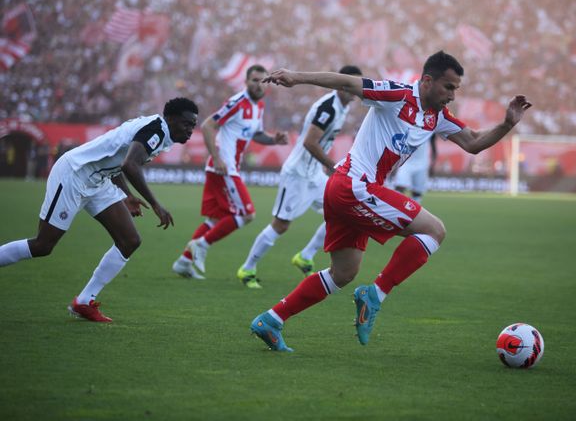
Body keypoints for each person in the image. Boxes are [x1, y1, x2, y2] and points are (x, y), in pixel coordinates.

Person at [249, 51, 532, 351]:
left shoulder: (436, 117)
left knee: (343, 273)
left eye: (456, 89)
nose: (451, 95)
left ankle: (272, 320)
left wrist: (506, 125)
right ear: (426, 81)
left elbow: (473, 142)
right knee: (434, 230)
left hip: (345, 189)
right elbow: (347, 82)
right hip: (354, 186)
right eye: (448, 87)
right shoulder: (397, 94)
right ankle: (376, 294)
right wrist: (296, 76)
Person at [0, 97, 199, 322]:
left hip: (97, 180)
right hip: (74, 174)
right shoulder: (156, 130)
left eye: (193, 125)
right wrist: (156, 204)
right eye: (186, 124)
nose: (190, 130)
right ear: (170, 119)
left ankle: (84, 302)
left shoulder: (159, 131)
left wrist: (128, 196)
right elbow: (129, 165)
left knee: (129, 240)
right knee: (43, 245)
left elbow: (117, 162)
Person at [237, 65, 362, 288]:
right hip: (297, 174)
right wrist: (332, 166)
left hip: (314, 174)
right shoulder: (329, 108)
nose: (353, 89)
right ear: (340, 83)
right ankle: (247, 268)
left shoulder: (342, 107)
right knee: (281, 225)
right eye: (349, 84)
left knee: (342, 212)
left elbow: (322, 142)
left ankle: (305, 256)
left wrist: (323, 167)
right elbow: (309, 142)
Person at [172, 65, 288, 284]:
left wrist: (274, 140)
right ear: (246, 81)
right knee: (247, 214)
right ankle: (201, 245)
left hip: (225, 168)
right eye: (254, 80)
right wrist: (217, 158)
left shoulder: (259, 106)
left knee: (215, 219)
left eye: (263, 81)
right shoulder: (237, 103)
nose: (258, 84)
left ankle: (183, 262)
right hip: (224, 168)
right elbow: (207, 126)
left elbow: (257, 134)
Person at [393, 134, 437, 203]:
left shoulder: (430, 129)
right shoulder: (407, 125)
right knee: (399, 187)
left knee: (417, 192)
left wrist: (433, 164)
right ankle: (397, 209)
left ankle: (412, 212)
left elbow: (433, 146)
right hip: (406, 162)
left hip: (423, 163)